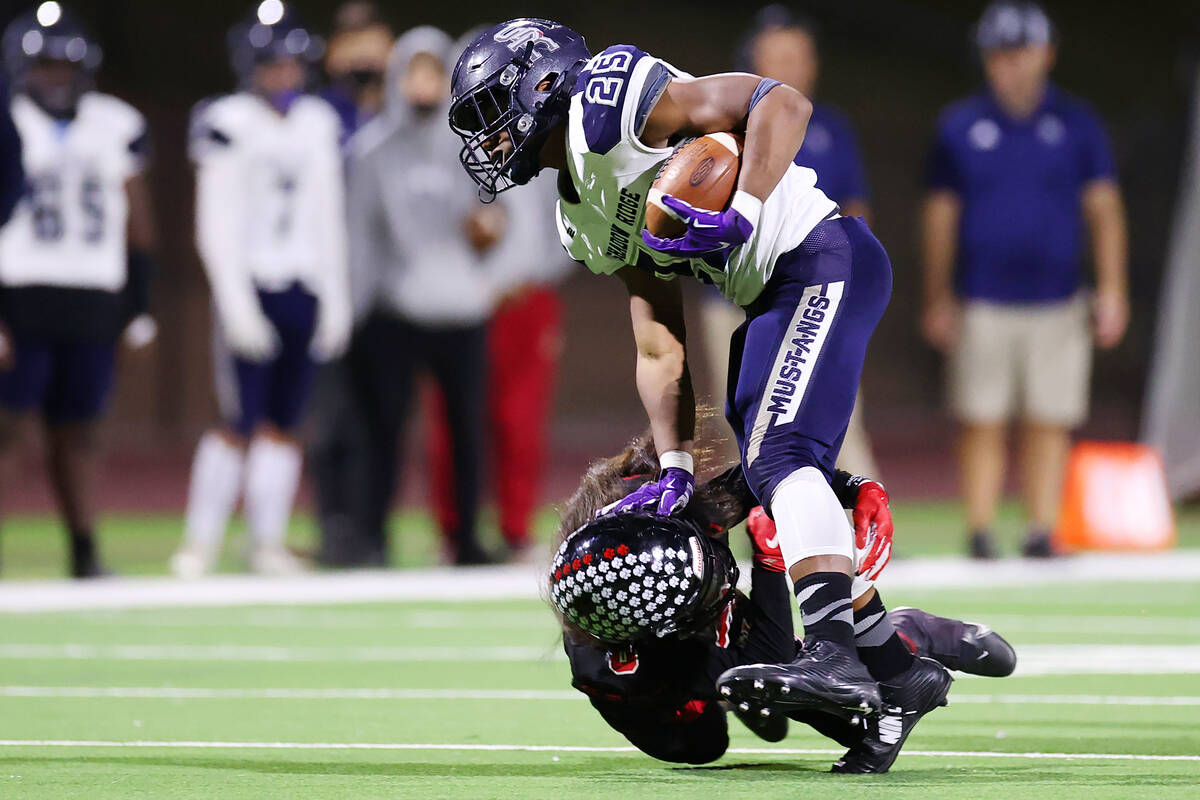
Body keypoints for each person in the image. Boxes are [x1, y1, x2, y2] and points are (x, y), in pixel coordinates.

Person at [449, 18, 938, 773]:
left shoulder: (610, 106)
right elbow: (657, 339)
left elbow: (781, 104)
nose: (487, 141)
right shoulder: (577, 215)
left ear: (540, 85)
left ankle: (836, 653)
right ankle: (900, 673)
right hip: (768, 297)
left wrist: (741, 207)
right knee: (760, 475)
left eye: (489, 114)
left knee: (778, 457)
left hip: (817, 255)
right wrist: (674, 460)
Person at [550, 433, 1016, 768]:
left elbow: (764, 474)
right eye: (704, 589)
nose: (720, 579)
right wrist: (769, 563)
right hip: (677, 710)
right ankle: (899, 638)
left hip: (677, 620)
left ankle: (900, 636)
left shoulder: (667, 516)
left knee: (857, 717)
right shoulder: (630, 662)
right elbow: (770, 656)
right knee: (706, 745)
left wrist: (853, 487)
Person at [920, 1, 1129, 559]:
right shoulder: (960, 126)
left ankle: (1041, 527)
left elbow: (1103, 209)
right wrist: (938, 294)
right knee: (980, 416)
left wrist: (1112, 288)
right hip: (982, 294)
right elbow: (941, 215)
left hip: (1058, 295)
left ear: (1046, 54)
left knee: (1049, 417)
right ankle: (982, 528)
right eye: (1000, 54)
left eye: (1021, 52)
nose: (1011, 64)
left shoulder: (1078, 124)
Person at [170, 2, 350, 577]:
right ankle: (201, 542)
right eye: (273, 65)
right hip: (252, 281)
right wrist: (235, 301)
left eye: (292, 64)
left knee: (283, 422)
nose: (285, 75)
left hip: (303, 282)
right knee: (237, 421)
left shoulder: (319, 121)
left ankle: (265, 541)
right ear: (251, 67)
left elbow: (328, 215)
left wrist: (336, 295)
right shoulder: (225, 119)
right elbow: (214, 221)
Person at [0, 3, 157, 578]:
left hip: (92, 291)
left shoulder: (114, 123)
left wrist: (139, 302)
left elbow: (137, 220)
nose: (55, 79)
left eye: (65, 67)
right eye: (43, 67)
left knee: (83, 428)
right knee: (7, 428)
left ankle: (85, 550)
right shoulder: (8, 119)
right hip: (19, 289)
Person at [341, 26, 502, 566]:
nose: (423, 83)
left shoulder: (472, 146)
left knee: (466, 434)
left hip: (461, 311)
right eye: (413, 71)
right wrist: (352, 312)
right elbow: (358, 238)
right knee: (382, 429)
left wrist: (489, 277)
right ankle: (371, 535)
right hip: (395, 313)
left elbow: (501, 221)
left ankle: (466, 539)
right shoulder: (371, 151)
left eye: (434, 72)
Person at [701, 5, 878, 478]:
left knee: (837, 411)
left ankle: (861, 527)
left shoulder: (833, 130)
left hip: (816, 289)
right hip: (737, 298)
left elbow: (855, 214)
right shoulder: (722, 130)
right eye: (778, 57)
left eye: (800, 57)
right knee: (740, 417)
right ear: (751, 66)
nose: (792, 68)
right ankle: (762, 537)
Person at [426, 169, 569, 562]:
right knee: (452, 420)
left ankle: (516, 531)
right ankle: (454, 531)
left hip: (525, 299)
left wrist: (533, 278)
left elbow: (569, 223)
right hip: (455, 299)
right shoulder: (446, 143)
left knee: (519, 421)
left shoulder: (544, 145)